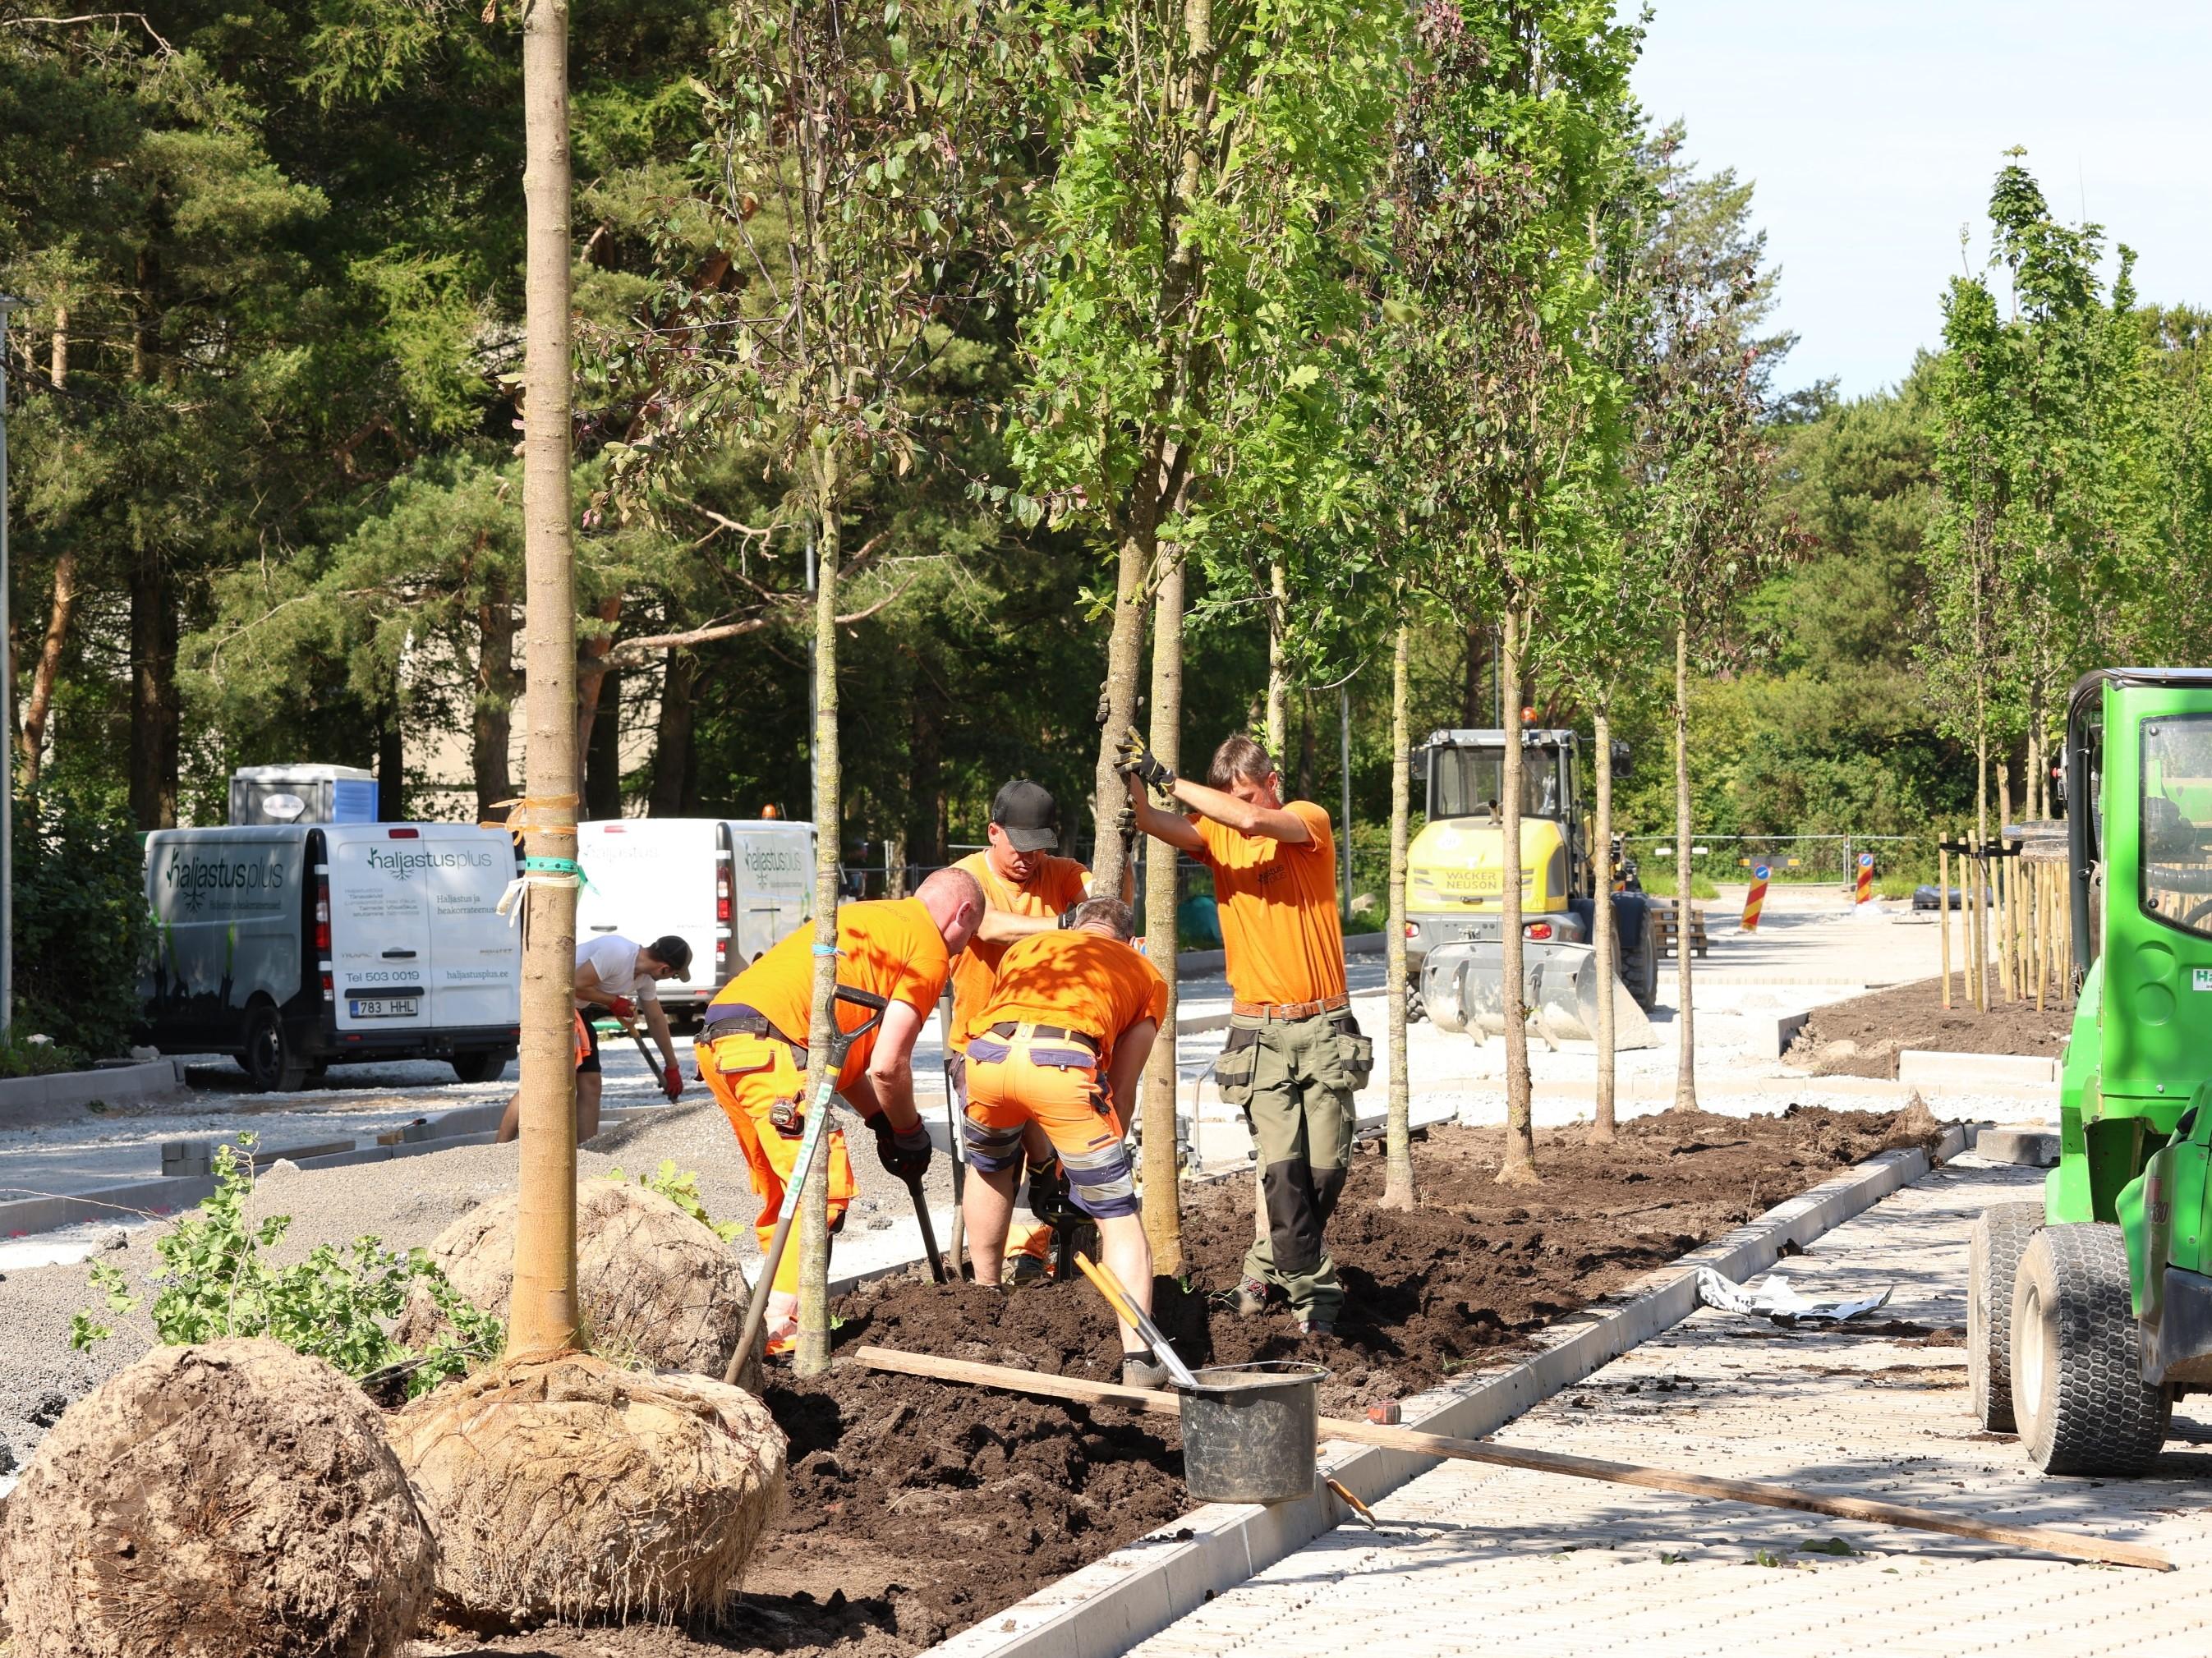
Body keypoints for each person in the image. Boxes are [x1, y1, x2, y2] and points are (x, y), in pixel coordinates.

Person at [1118, 728, 1372, 1337]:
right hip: (1257, 1032)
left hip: (1323, 1024)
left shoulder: (1304, 820)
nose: (1244, 808)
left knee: (1325, 1172)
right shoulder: (1216, 837)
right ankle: (1317, 1299)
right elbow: (1149, 816)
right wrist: (1126, 763)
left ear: (1272, 785)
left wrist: (1169, 775)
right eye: (1236, 798)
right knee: (1284, 1174)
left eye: (1251, 794)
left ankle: (1263, 1267)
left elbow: (1253, 824)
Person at [698, 868, 985, 1352]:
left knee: (783, 1191)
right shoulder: (931, 948)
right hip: (775, 1047)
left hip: (725, 1041)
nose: (962, 949)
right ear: (963, 914)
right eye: (969, 936)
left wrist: (879, 1122)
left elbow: (847, 1060)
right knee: (818, 1190)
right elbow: (888, 1067)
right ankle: (781, 1329)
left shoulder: (868, 919)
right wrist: (909, 1130)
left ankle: (773, 1322)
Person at [959, 896, 1168, 1384]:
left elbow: (1021, 1050)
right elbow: (1122, 1083)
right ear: (1129, 938)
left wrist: (1049, 1158)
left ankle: (983, 1297)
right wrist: (1101, 1159)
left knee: (988, 1168)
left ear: (1074, 927)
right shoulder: (1144, 972)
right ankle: (1139, 1357)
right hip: (1065, 1065)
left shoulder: (1029, 948)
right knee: (1118, 1216)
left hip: (987, 1060)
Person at [494, 932, 691, 1145]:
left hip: (576, 1011)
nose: (669, 978)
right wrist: (613, 1002)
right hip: (552, 1008)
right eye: (673, 976)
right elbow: (575, 984)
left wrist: (672, 1066)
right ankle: (499, 1147)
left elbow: (655, 1019)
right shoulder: (618, 951)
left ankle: (587, 1150)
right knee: (544, 1082)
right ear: (665, 969)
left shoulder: (644, 979)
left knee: (590, 1082)